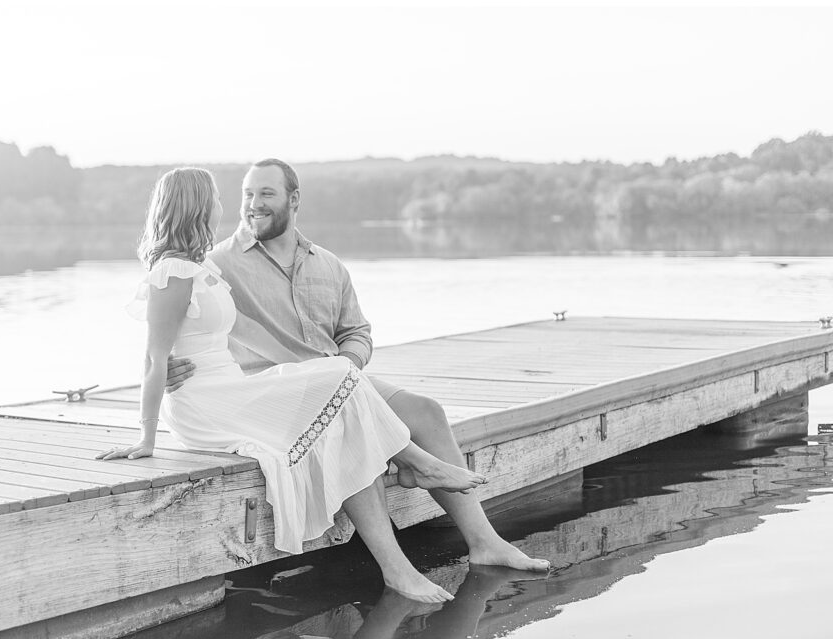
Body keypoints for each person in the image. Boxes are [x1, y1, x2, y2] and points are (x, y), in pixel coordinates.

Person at [95, 167, 488, 603]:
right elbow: (154, 353)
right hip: (206, 402)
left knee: (342, 377)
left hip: (233, 390)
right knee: (340, 381)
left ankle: (419, 541)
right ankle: (417, 470)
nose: (233, 206)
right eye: (226, 197)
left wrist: (322, 371)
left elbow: (271, 332)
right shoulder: (178, 268)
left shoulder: (203, 266)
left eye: (260, 193)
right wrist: (147, 434)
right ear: (198, 206)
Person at [165, 158, 550, 573]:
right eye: (247, 194)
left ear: (294, 200)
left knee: (427, 411)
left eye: (266, 194)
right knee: (348, 429)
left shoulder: (328, 264)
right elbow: (170, 311)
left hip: (339, 381)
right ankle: (403, 528)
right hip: (270, 391)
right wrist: (166, 365)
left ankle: (485, 542)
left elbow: (358, 331)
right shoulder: (218, 262)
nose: (253, 204)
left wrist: (347, 369)